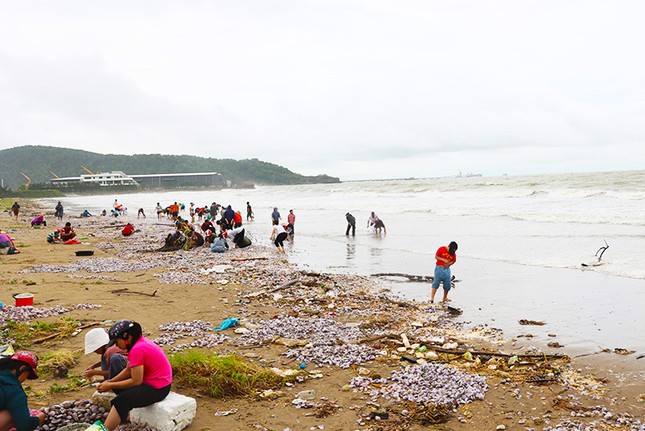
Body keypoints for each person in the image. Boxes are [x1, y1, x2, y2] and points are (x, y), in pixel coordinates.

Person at [97, 320, 172, 431]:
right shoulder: (137, 344)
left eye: (117, 341)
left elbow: (136, 381)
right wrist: (110, 382)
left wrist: (110, 384)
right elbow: (128, 370)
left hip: (159, 388)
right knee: (118, 389)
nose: (116, 345)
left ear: (126, 336)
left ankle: (105, 429)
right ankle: (124, 416)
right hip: (154, 381)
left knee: (122, 400)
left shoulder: (137, 349)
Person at [0, 351, 46, 431]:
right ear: (22, 369)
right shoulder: (14, 390)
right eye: (27, 375)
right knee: (11, 413)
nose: (25, 380)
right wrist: (40, 418)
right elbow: (24, 426)